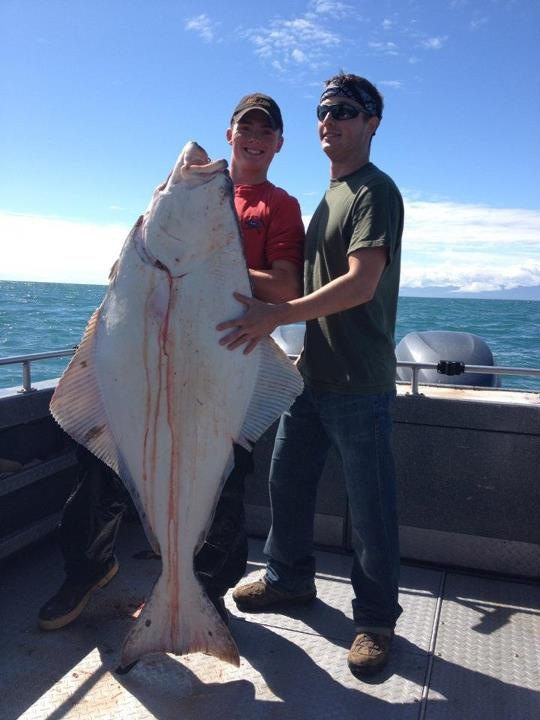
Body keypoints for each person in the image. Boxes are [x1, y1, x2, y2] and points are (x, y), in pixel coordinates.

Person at [38, 93, 305, 631]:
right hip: (147, 362)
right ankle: (87, 569)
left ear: (278, 143)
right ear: (231, 134)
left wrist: (213, 264)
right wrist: (189, 261)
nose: (253, 137)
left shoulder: (278, 205)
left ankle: (200, 595)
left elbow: (285, 286)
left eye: (265, 130)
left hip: (221, 367)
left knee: (223, 484)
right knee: (99, 470)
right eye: (244, 127)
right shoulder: (179, 206)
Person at [217, 73, 404, 677]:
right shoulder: (330, 196)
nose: (332, 120)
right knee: (286, 485)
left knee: (371, 508)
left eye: (347, 111)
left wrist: (278, 313)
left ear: (373, 123)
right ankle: (289, 579)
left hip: (361, 382)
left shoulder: (375, 191)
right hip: (313, 375)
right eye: (325, 111)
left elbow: (362, 283)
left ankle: (375, 620)